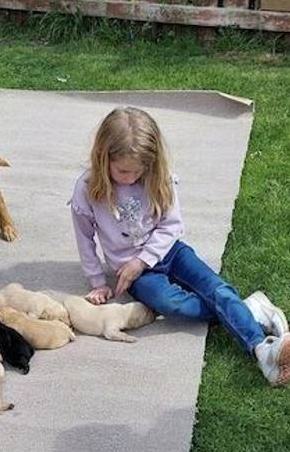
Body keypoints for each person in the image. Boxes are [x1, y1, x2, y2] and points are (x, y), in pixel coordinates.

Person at [70, 106, 289, 387]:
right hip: (133, 270)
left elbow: (171, 225)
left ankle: (262, 350)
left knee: (216, 289)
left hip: (169, 251)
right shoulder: (87, 188)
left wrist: (144, 259)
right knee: (173, 304)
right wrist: (98, 281)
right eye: (123, 170)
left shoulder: (158, 177)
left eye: (139, 170)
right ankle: (250, 309)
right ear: (103, 157)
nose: (131, 177)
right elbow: (84, 237)